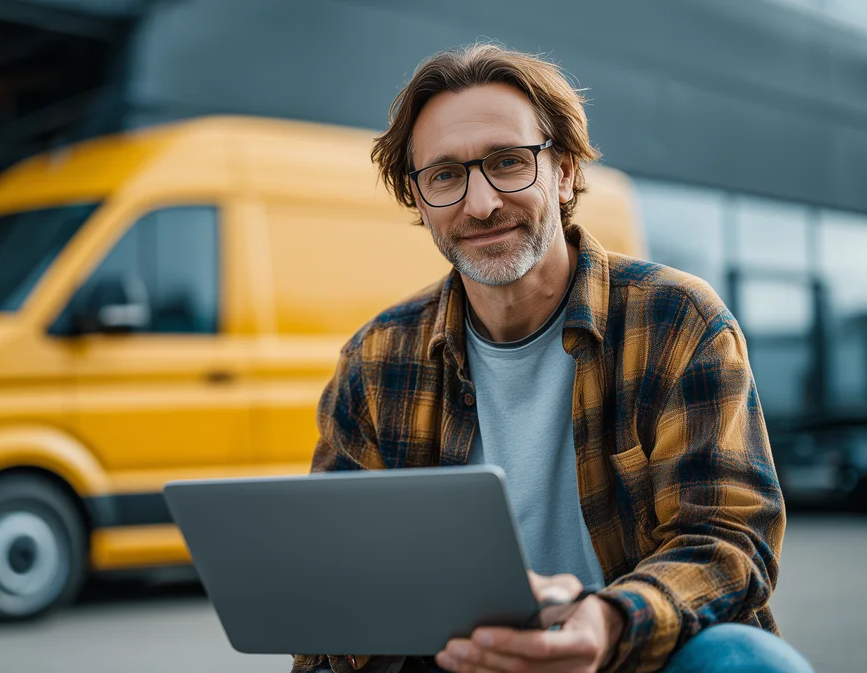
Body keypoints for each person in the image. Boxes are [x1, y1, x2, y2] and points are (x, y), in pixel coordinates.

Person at [290, 43, 814, 673]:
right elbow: (335, 592)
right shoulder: (378, 359)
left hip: (630, 655)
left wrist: (610, 620)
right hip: (461, 664)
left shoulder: (678, 321)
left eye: (509, 163)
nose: (480, 204)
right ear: (418, 197)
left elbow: (729, 539)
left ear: (563, 172)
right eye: (445, 175)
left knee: (747, 660)